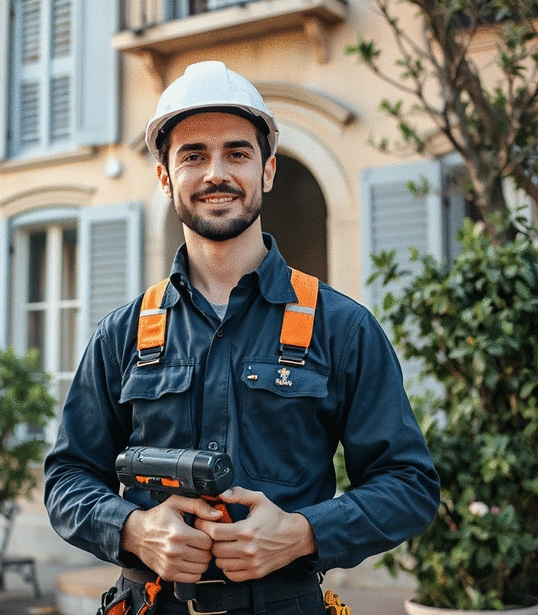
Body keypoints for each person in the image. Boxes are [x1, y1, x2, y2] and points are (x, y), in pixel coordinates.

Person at [44, 61, 439, 615]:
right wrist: (134, 529)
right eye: (193, 156)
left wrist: (303, 532)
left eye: (237, 153)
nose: (216, 174)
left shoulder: (341, 326)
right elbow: (67, 477)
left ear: (267, 170)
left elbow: (409, 483)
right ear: (165, 177)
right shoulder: (122, 334)